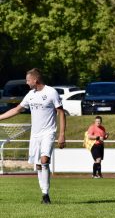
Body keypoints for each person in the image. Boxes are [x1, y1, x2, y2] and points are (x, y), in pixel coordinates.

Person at [0, 68, 66, 204]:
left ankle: (46, 194)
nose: (27, 82)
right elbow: (16, 109)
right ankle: (44, 194)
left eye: (28, 80)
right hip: (35, 135)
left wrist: (62, 135)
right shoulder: (30, 94)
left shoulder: (51, 92)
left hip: (48, 132)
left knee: (44, 161)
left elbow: (61, 113)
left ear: (35, 80)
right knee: (38, 165)